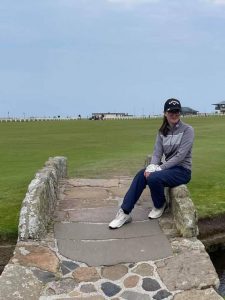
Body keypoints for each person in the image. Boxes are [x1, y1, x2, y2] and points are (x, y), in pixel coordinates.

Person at [109, 98, 194, 229]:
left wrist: (159, 168)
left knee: (154, 177)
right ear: (165, 113)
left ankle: (160, 205)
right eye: (171, 111)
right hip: (167, 169)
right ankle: (124, 212)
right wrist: (152, 166)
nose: (174, 114)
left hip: (182, 170)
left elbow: (180, 156)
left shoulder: (188, 130)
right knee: (141, 175)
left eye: (177, 111)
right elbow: (157, 153)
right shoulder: (162, 132)